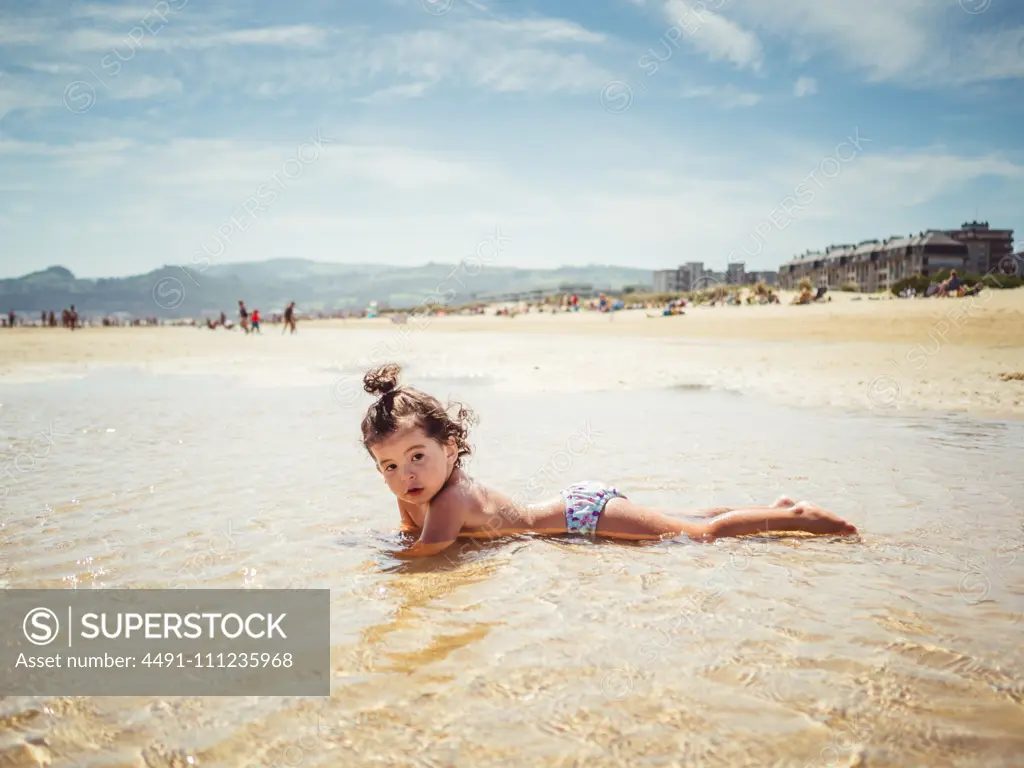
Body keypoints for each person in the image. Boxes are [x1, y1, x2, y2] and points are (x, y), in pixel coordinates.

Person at [359, 364, 858, 559]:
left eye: (417, 456)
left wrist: (373, 564)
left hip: (585, 515)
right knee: (687, 520)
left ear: (450, 447)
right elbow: (411, 534)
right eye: (390, 466)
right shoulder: (413, 492)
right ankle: (772, 509)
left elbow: (425, 552)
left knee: (698, 537)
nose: (406, 475)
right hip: (574, 518)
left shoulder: (452, 496)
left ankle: (798, 519)